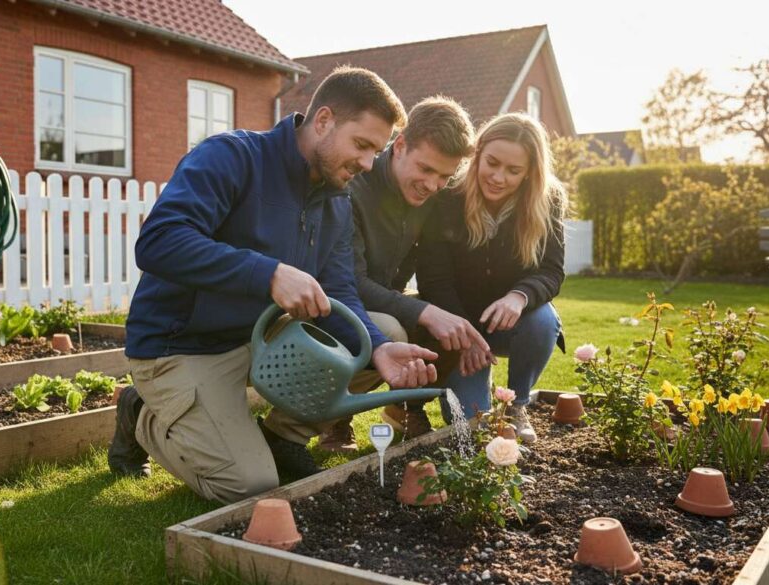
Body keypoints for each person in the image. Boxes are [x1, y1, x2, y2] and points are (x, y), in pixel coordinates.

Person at [109, 66, 439, 504]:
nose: (366, 163)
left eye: (375, 152)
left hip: (261, 337)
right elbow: (158, 241)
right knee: (249, 486)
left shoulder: (337, 201)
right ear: (323, 121)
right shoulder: (231, 157)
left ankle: (282, 438)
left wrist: (377, 347)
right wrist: (268, 273)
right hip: (182, 345)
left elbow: (338, 289)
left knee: (382, 335)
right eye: (361, 145)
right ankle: (142, 415)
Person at [309, 96, 493, 453]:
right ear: (401, 145)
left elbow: (436, 272)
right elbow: (352, 283)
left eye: (444, 175)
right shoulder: (352, 188)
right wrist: (424, 312)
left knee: (446, 322)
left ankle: (404, 406)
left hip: (387, 299)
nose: (433, 184)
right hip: (334, 304)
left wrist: (449, 317)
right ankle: (334, 420)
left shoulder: (434, 200)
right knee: (392, 326)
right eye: (425, 169)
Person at [417, 113, 567, 444]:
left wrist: (519, 296)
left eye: (513, 171)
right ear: (478, 153)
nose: (498, 177)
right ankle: (473, 394)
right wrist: (464, 336)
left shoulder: (547, 201)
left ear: (529, 173)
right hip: (457, 327)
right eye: (492, 163)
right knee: (475, 430)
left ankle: (516, 404)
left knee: (543, 320)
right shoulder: (447, 198)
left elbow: (552, 270)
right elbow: (433, 279)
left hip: (513, 325)